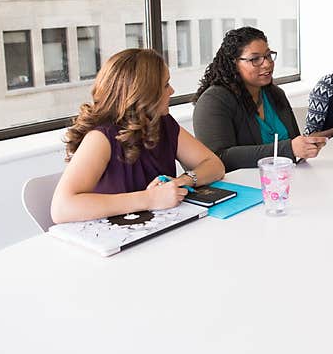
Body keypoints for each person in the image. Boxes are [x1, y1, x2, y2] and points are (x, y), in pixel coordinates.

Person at [51, 49, 225, 224]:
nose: (172, 91)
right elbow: (61, 208)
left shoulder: (163, 122)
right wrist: (150, 199)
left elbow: (214, 165)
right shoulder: (101, 138)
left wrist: (182, 182)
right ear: (143, 94)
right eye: (165, 85)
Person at [193, 26, 326, 172]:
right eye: (255, 59)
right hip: (242, 188)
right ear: (234, 64)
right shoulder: (214, 101)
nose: (267, 64)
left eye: (268, 55)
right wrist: (288, 149)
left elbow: (294, 143)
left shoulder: (275, 94)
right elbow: (219, 158)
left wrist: (306, 147)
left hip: (284, 181)